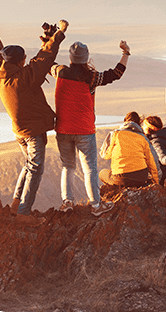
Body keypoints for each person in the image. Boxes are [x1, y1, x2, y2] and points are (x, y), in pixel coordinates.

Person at [0, 9, 68, 226]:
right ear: (21, 62)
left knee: (29, 165)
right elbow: (44, 59)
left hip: (19, 131)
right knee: (35, 168)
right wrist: (59, 33)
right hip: (31, 132)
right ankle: (23, 212)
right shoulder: (23, 78)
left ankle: (16, 205)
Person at [50, 40, 131, 216]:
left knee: (68, 167)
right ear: (86, 58)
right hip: (84, 130)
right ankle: (95, 205)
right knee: (90, 169)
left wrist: (48, 41)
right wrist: (125, 54)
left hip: (63, 129)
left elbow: (48, 63)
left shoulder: (60, 72)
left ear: (71, 57)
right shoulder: (92, 77)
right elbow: (116, 74)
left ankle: (67, 202)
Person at [99, 111, 160, 188]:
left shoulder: (115, 134)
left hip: (121, 177)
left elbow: (105, 155)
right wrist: (156, 181)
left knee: (102, 173)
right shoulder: (143, 138)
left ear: (125, 121)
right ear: (139, 123)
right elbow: (151, 161)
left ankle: (116, 188)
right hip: (141, 177)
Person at [143, 115, 166, 185]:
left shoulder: (156, 141)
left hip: (159, 173)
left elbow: (161, 155)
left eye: (144, 126)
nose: (143, 127)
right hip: (162, 171)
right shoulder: (159, 137)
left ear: (150, 128)